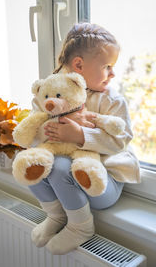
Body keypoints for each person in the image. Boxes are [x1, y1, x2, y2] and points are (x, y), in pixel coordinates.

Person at [29, 23, 141, 255]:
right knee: (31, 162)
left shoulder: (112, 100)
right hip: (65, 189)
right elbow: (32, 131)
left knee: (60, 167)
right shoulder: (49, 93)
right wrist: (54, 130)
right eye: (107, 66)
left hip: (102, 184)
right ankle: (57, 216)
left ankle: (80, 227)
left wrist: (81, 136)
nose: (113, 74)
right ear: (79, 65)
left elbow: (121, 141)